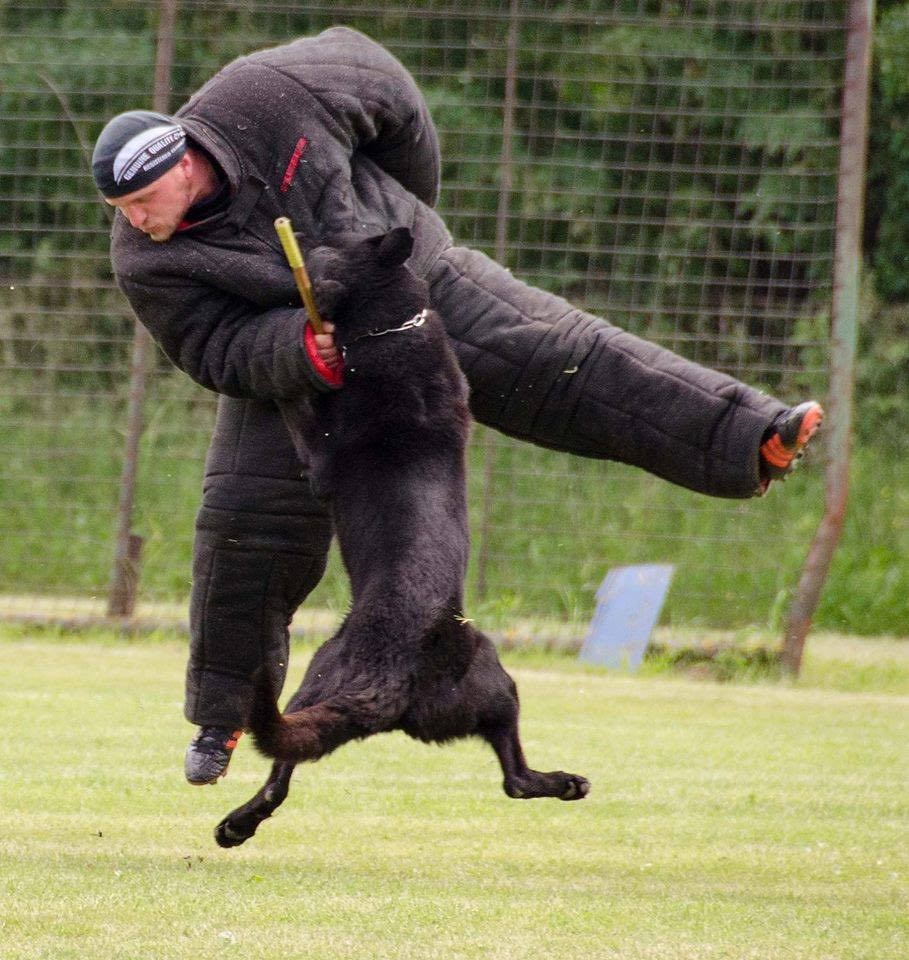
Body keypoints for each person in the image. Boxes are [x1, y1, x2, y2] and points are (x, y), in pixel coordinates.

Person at [91, 26, 822, 786]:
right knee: (245, 526)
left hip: (406, 291)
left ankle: (750, 436)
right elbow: (209, 346)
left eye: (143, 201)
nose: (136, 221)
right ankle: (223, 722)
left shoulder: (263, 96)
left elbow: (379, 81)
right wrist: (294, 351)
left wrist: (403, 216)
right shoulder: (147, 257)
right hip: (297, 368)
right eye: (122, 209)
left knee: (558, 355)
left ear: (183, 162)